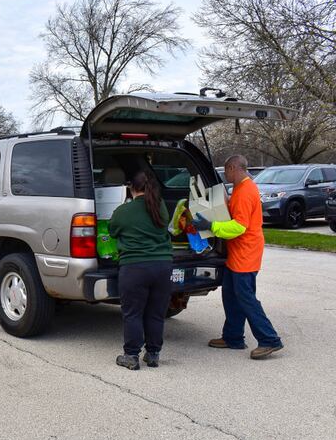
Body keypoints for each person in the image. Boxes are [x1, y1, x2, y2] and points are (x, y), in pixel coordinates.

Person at [194, 155, 283, 359]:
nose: (226, 174)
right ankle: (233, 337)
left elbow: (239, 226)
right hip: (238, 254)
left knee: (246, 298)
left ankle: (270, 339)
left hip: (246, 254)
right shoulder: (241, 188)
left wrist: (211, 226)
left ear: (233, 167)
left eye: (226, 170)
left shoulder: (245, 191)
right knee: (231, 295)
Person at [109, 171, 173, 370]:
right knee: (155, 313)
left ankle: (131, 356)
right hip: (163, 266)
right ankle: (153, 355)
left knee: (133, 313)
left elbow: (112, 230)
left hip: (135, 267)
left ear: (131, 188)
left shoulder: (123, 211)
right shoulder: (160, 206)